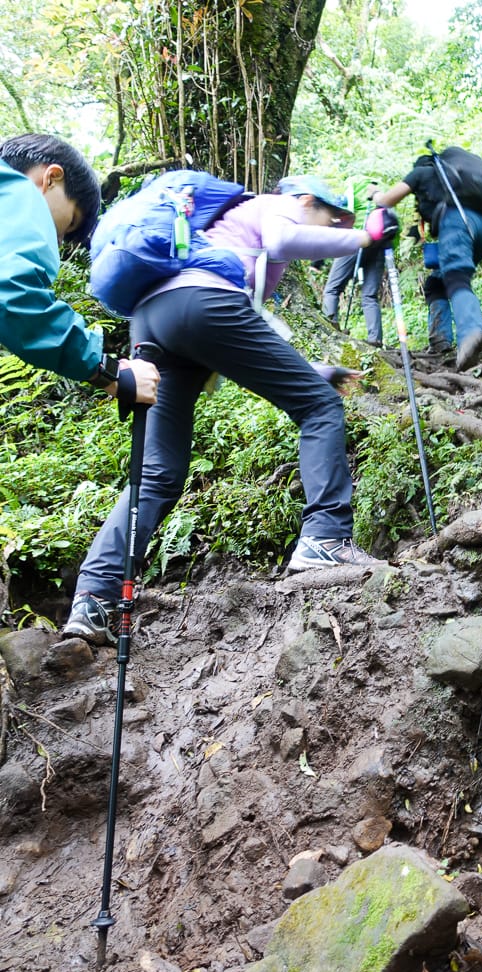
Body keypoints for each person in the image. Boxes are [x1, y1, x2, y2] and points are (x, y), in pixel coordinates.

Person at [62, 174, 399, 646]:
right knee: (320, 407)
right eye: (331, 219)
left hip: (153, 320)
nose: (331, 230)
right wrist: (364, 237)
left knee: (158, 471)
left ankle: (94, 598)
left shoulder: (220, 235)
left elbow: (242, 334)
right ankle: (326, 538)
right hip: (201, 304)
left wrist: (308, 369)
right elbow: (280, 241)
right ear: (306, 201)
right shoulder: (274, 205)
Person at [0, 133, 160, 406]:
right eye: (70, 223)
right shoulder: (20, 193)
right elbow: (12, 293)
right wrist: (110, 372)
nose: (58, 241)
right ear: (51, 178)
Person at [367, 150, 482, 372]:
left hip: (457, 221)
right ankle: (440, 341)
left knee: (456, 278)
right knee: (437, 282)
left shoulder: (422, 173)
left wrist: (375, 193)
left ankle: (471, 332)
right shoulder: (455, 181)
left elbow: (387, 201)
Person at [322, 175, 385, 347]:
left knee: (332, 289)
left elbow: (345, 211)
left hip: (356, 240)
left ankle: (331, 329)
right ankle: (375, 339)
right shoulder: (380, 195)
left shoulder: (353, 186)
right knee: (370, 295)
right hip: (379, 244)